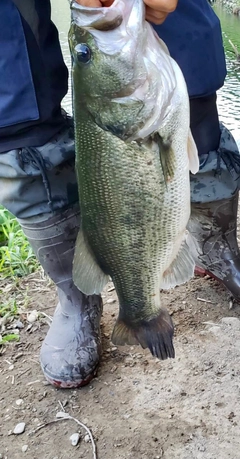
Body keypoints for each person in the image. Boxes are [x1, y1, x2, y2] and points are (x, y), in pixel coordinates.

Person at [0, 0, 239, 389]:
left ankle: (215, 246)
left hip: (149, 91)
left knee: (185, 34)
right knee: (9, 87)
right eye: (85, 53)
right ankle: (81, 300)